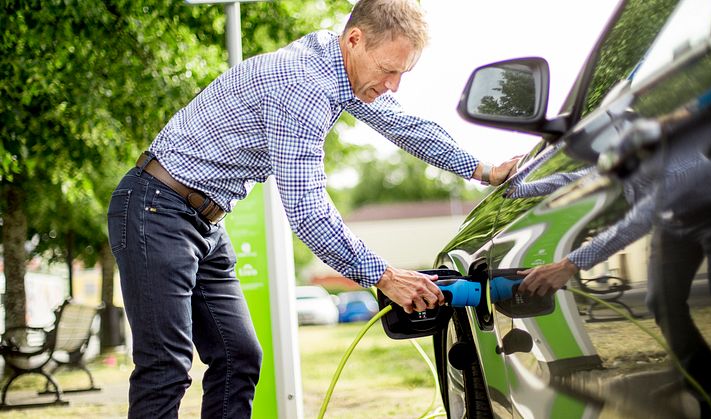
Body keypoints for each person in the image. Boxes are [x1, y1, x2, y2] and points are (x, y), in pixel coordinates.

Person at [106, 0, 520, 417]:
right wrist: (385, 276)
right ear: (354, 39)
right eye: (389, 70)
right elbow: (307, 209)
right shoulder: (303, 84)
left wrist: (485, 170)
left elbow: (405, 124)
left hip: (202, 222)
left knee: (240, 357)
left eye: (402, 73)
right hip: (156, 210)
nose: (394, 85)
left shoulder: (337, 63)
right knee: (167, 368)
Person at [513, 103, 711, 418]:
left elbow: (640, 219)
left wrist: (569, 265)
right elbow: (573, 179)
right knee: (662, 301)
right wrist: (515, 184)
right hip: (672, 222)